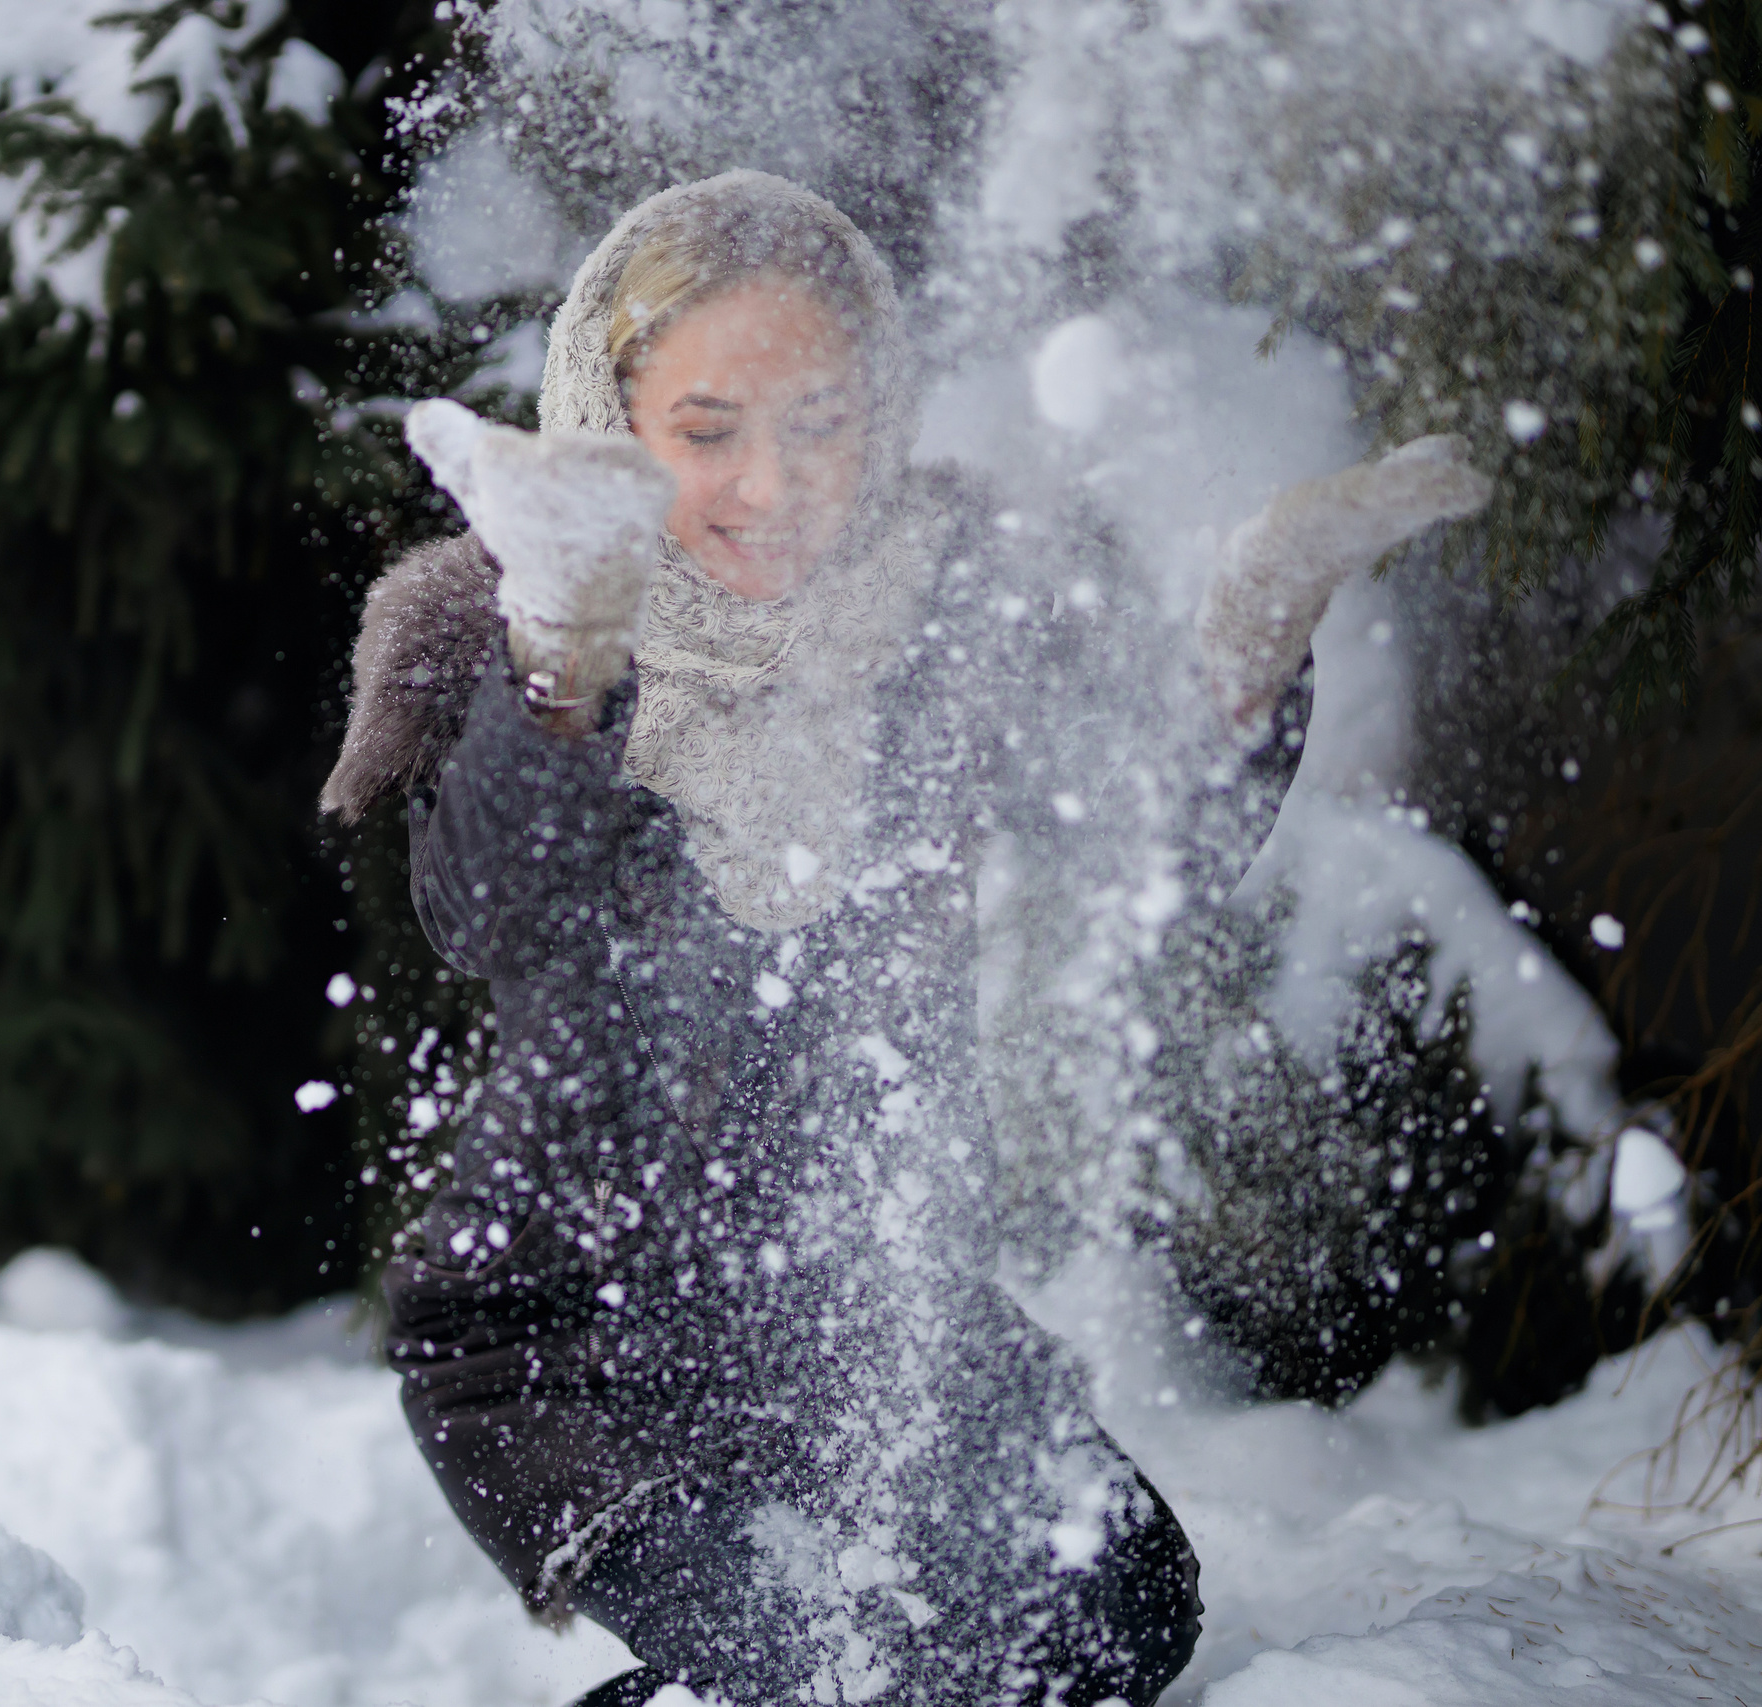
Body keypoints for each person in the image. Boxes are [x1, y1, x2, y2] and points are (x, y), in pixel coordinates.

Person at [321, 172, 1489, 1707]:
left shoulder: (949, 617)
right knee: (820, 1655)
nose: (773, 481)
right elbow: (484, 908)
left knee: (1114, 1614)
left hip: (874, 1311)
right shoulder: (508, 646)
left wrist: (1250, 653)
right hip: (568, 1349)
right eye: (709, 430)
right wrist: (559, 658)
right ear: (611, 429)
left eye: (823, 423)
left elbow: (1148, 843)